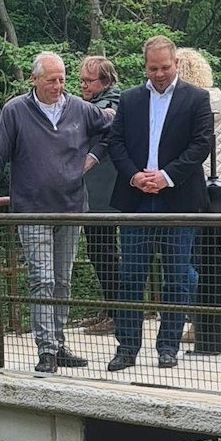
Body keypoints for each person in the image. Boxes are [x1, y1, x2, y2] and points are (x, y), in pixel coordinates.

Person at [0, 51, 113, 375]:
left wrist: (93, 157)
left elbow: (112, 128)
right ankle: (46, 350)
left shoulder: (78, 107)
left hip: (72, 208)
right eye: (51, 80)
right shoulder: (15, 111)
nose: (58, 85)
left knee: (62, 281)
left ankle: (58, 344)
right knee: (42, 279)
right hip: (32, 209)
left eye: (62, 79)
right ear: (34, 79)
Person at [105, 35, 214, 371]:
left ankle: (168, 346)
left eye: (165, 67)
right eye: (153, 68)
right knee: (130, 277)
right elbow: (116, 142)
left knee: (177, 276)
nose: (160, 74)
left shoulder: (197, 99)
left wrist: (166, 176)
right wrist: (135, 176)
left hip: (178, 198)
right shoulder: (131, 98)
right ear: (145, 66)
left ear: (176, 64)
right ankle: (127, 347)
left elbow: (201, 145)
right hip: (137, 199)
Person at [177, 47, 221, 356]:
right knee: (211, 258)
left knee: (188, 258)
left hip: (195, 186)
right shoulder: (217, 99)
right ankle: (208, 322)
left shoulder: (187, 102)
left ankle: (196, 318)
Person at [78, 55, 125, 330]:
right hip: (94, 193)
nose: (83, 85)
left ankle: (118, 313)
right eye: (81, 80)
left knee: (104, 251)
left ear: (105, 81)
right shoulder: (96, 103)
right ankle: (110, 307)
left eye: (88, 80)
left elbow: (100, 123)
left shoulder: (113, 103)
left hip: (104, 195)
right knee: (98, 251)